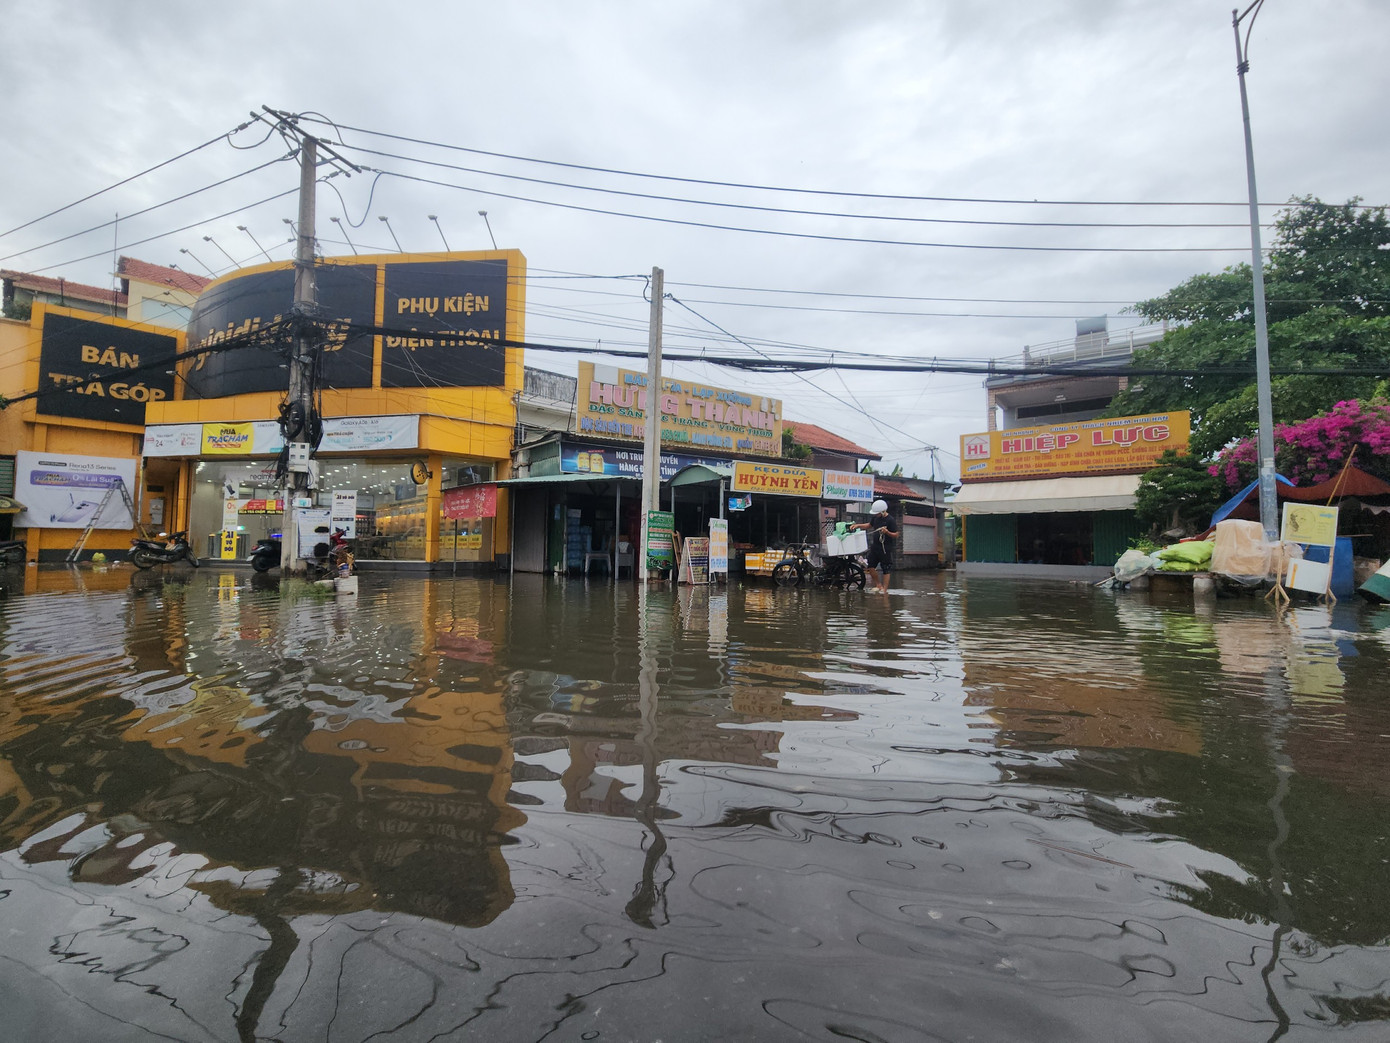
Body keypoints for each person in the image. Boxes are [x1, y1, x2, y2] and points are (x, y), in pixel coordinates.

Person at [852, 499, 897, 592]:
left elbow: (896, 534)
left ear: (883, 511)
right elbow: (869, 525)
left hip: (885, 548)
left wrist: (887, 532)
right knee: (870, 566)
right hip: (875, 547)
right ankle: (878, 585)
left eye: (877, 513)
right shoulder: (876, 518)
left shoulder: (890, 520)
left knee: (886, 569)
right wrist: (858, 525)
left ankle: (885, 590)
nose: (876, 515)